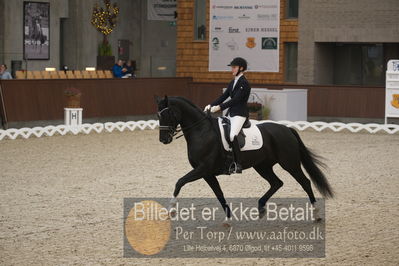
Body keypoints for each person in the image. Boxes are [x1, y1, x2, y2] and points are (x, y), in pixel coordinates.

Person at [204, 57, 251, 174]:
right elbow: (223, 97)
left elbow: (236, 100)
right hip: (231, 114)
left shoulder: (244, 83)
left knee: (232, 135)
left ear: (241, 68)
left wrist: (219, 108)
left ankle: (238, 164)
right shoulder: (233, 82)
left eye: (234, 67)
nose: (232, 70)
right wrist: (211, 105)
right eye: (232, 67)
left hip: (240, 114)